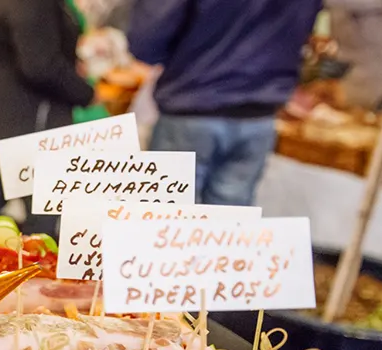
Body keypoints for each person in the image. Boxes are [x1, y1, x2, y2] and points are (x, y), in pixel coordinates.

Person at [129, 0, 321, 206]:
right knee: (229, 223)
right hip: (259, 112)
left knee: (168, 217)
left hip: (193, 105)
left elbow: (148, 37)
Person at [0, 0, 99, 232]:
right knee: (40, 217)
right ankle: (30, 267)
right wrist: (87, 93)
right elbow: (41, 66)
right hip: (20, 126)